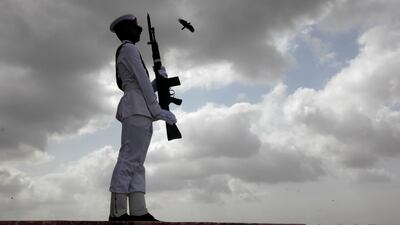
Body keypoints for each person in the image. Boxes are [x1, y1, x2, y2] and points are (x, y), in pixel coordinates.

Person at [108, 14, 177, 222]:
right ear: (125, 30)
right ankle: (118, 212)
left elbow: (141, 83)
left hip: (139, 106)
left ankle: (138, 210)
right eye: (135, 27)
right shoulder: (129, 48)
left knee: (137, 162)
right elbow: (139, 82)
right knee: (129, 159)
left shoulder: (129, 50)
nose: (139, 31)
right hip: (137, 108)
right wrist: (157, 110)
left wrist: (158, 83)